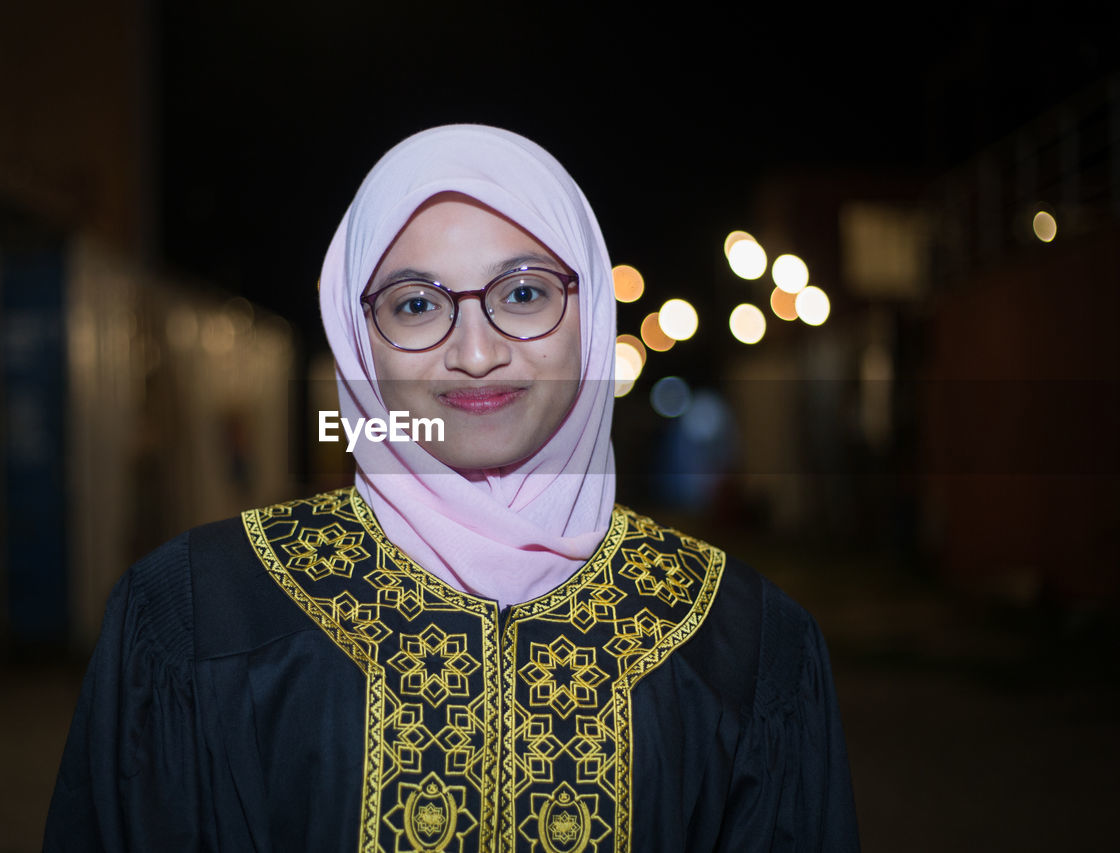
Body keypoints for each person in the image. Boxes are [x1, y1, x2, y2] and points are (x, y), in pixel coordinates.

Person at [44, 124, 860, 851]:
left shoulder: (741, 642)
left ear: (593, 311)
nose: (475, 351)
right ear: (358, 339)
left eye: (525, 292)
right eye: (416, 303)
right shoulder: (197, 616)